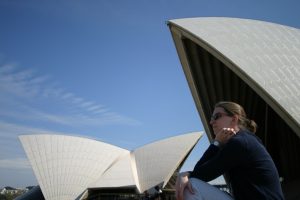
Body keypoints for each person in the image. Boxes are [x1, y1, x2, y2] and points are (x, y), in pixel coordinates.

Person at [176, 101, 284, 200]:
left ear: (234, 119)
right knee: (191, 183)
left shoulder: (240, 143)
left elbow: (200, 175)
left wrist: (216, 143)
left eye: (216, 116)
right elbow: (199, 172)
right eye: (212, 117)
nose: (211, 121)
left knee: (191, 185)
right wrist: (188, 174)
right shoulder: (246, 139)